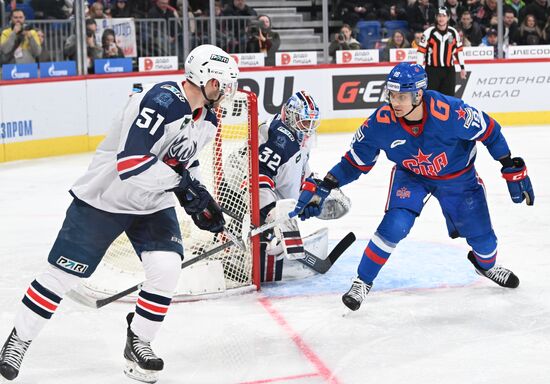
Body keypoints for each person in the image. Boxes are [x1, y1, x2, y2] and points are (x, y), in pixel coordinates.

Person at [0, 44, 239, 383]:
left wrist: (201, 198)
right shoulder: (161, 102)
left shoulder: (208, 119)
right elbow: (131, 164)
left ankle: (138, 342)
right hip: (106, 198)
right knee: (63, 275)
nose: (227, 92)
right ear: (207, 80)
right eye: (223, 84)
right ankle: (19, 339)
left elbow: (188, 161)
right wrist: (184, 189)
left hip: (152, 203)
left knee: (166, 268)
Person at [293, 62, 534, 311]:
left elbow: (490, 130)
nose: (394, 102)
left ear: (419, 94)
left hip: (458, 179)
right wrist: (329, 182)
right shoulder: (380, 122)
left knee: (485, 244)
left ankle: (486, 266)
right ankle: (362, 281)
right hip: (412, 176)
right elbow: (356, 161)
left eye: (401, 96)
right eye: (391, 94)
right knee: (395, 225)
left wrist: (508, 163)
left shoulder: (451, 112)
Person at [256, 91, 321, 282]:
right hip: (251, 203)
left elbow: (301, 174)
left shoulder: (298, 139)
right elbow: (260, 176)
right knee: (272, 244)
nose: (308, 127)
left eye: (311, 122)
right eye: (304, 121)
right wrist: (271, 216)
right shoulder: (278, 137)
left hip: (272, 200)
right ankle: (260, 244)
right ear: (290, 117)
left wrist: (310, 196)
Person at [417, 6, 466, 97]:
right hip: (432, 71)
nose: (441, 18)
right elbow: (421, 52)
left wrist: (462, 67)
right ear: (436, 17)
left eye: (443, 16)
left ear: (448, 17)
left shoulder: (454, 32)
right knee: (431, 97)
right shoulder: (428, 32)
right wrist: (419, 69)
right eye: (439, 16)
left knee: (448, 98)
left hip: (449, 71)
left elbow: (458, 51)